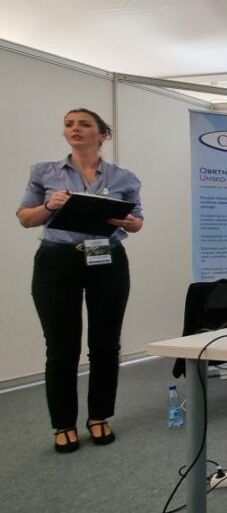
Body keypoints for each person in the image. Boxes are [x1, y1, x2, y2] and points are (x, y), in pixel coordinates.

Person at [16, 108, 144, 452]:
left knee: (106, 343)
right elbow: (25, 218)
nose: (75, 129)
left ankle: (99, 416)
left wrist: (129, 223)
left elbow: (137, 221)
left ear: (102, 135)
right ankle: (63, 424)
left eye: (84, 124)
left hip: (107, 260)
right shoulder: (44, 172)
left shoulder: (124, 177)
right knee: (61, 346)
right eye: (69, 124)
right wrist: (49, 206)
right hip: (57, 262)